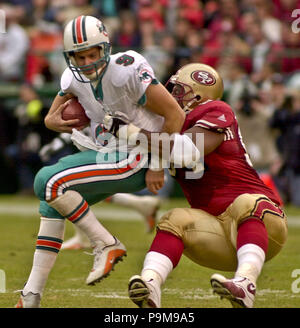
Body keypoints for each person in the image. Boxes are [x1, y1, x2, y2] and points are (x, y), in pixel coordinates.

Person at [16, 15, 185, 308]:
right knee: (50, 202)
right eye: (79, 56)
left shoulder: (126, 70)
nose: (86, 62)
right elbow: (52, 115)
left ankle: (105, 243)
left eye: (92, 54)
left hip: (138, 154)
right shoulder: (72, 78)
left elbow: (175, 116)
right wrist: (51, 119)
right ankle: (30, 297)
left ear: (105, 48)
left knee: (47, 180)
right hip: (105, 151)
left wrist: (158, 162)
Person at [103, 63, 288, 308]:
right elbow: (135, 147)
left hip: (264, 220)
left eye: (179, 91)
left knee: (245, 203)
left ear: (200, 94)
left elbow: (186, 150)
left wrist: (129, 132)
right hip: (218, 234)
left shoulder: (216, 109)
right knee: (174, 218)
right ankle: (150, 285)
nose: (171, 97)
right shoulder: (166, 127)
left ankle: (245, 284)